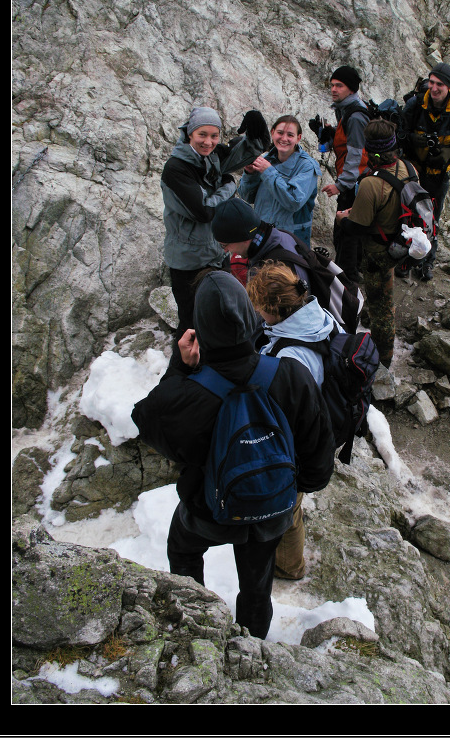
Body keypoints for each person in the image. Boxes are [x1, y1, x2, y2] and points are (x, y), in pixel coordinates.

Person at [131, 270, 335, 640]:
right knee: (257, 586)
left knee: (182, 548)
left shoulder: (186, 396)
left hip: (208, 510)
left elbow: (146, 421)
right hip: (271, 511)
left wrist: (181, 367)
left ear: (200, 329)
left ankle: (194, 621)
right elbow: (319, 466)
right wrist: (283, 490)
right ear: (249, 317)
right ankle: (250, 646)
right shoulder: (290, 374)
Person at [246, 261, 343, 580]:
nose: (259, 315)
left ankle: (289, 565)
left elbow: (292, 409)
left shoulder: (292, 357)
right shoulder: (316, 316)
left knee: (289, 507)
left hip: (300, 441)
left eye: (261, 309)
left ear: (275, 310)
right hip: (324, 416)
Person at [160, 106, 270, 342]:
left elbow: (249, 152)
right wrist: (230, 186)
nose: (208, 142)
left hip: (216, 254)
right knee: (192, 323)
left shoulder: (212, 157)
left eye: (214, 135)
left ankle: (218, 366)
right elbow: (203, 211)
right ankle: (185, 372)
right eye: (202, 134)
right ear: (189, 133)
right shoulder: (176, 168)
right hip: (188, 263)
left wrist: (257, 132)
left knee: (223, 312)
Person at [335, 119, 413, 369]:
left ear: (370, 150)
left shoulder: (371, 184)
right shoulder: (407, 167)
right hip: (400, 243)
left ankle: (384, 358)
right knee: (380, 290)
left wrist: (343, 219)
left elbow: (357, 227)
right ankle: (369, 314)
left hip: (378, 250)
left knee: (383, 308)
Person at [397, 62, 450, 280]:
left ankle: (425, 263)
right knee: (405, 215)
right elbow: (399, 133)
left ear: (449, 87)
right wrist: (415, 139)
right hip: (413, 173)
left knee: (431, 220)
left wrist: (449, 152)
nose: (434, 88)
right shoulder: (415, 104)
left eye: (439, 84)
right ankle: (403, 259)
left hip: (438, 177)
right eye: (431, 82)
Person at [309, 66, 370, 283]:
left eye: (339, 85)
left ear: (351, 89)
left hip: (355, 182)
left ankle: (347, 279)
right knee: (352, 228)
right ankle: (355, 272)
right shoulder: (346, 109)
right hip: (359, 180)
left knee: (345, 231)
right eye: (332, 85)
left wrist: (341, 185)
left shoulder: (355, 116)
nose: (333, 89)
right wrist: (331, 132)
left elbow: (357, 155)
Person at [237, 115, 321, 247]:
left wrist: (268, 172)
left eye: (290, 135)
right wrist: (250, 173)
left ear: (298, 138)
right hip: (262, 234)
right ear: (272, 133)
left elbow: (294, 201)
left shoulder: (307, 166)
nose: (284, 139)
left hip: (290, 240)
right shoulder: (266, 160)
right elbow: (247, 196)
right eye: (280, 133)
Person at [210, 197, 313, 289]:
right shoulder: (279, 236)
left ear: (243, 238)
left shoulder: (272, 271)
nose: (225, 250)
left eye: (224, 245)